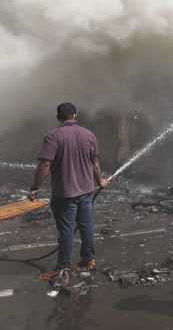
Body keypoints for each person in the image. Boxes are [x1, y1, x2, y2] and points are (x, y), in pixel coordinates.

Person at [29, 102, 109, 283]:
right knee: (86, 226)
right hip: (86, 192)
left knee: (66, 230)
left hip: (64, 194)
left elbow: (45, 164)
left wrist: (34, 188)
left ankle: (63, 268)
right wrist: (100, 181)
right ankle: (88, 261)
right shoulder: (89, 135)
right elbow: (94, 162)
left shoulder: (53, 137)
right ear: (75, 116)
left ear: (58, 118)